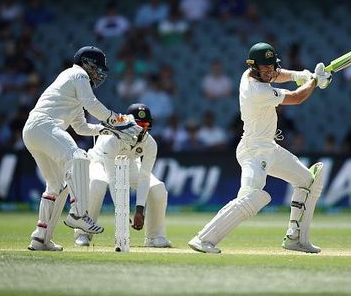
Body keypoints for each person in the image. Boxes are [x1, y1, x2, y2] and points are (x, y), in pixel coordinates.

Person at [188, 42, 331, 254]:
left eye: (272, 66)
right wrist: (313, 81)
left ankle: (296, 239)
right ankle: (203, 239)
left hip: (269, 149)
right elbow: (297, 98)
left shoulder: (253, 73)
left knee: (308, 182)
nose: (270, 71)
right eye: (265, 68)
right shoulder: (257, 90)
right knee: (252, 197)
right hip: (254, 151)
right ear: (254, 67)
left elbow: (277, 74)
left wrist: (298, 75)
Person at [23, 46, 142, 251]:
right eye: (97, 68)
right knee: (79, 157)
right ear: (87, 63)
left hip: (35, 131)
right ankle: (78, 214)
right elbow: (92, 104)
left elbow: (82, 127)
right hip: (43, 125)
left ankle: (40, 238)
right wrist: (119, 121)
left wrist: (110, 130)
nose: (99, 73)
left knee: (56, 186)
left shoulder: (75, 88)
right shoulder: (77, 74)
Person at [74, 104, 171, 248]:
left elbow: (144, 177)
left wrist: (139, 210)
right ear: (127, 122)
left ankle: (154, 236)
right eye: (137, 124)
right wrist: (122, 213)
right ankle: (83, 233)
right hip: (98, 161)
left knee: (158, 188)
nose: (140, 129)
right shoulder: (111, 139)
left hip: (130, 162)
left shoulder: (150, 144)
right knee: (98, 183)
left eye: (144, 125)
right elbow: (114, 180)